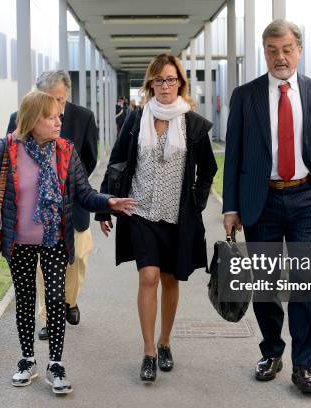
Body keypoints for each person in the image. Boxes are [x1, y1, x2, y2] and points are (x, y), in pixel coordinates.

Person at [0, 90, 135, 394]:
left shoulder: (65, 151)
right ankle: (27, 359)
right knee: (24, 300)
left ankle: (56, 364)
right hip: (19, 242)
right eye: (51, 116)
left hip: (55, 240)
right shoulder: (5, 150)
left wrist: (108, 202)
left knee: (56, 300)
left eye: (59, 115)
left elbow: (83, 193)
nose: (59, 120)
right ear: (33, 120)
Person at [223, 19, 311, 393]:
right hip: (262, 200)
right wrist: (230, 207)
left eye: (286, 49)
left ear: (299, 50)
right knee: (266, 284)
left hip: (307, 197)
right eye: (272, 50)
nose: (280, 57)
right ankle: (272, 350)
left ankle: (304, 364)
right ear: (264, 52)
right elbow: (234, 153)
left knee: (304, 282)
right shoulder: (246, 96)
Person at [96, 54, 217, 383]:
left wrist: (197, 203)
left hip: (177, 217)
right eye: (160, 80)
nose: (166, 86)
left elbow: (208, 168)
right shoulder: (137, 120)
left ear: (180, 82)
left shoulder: (192, 123)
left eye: (172, 79)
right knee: (148, 275)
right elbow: (117, 161)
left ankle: (165, 342)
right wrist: (106, 205)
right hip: (141, 212)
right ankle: (149, 351)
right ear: (150, 85)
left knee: (169, 279)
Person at [7, 70, 98, 340]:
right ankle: (49, 316)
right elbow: (11, 158)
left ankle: (70, 300)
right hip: (36, 212)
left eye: (59, 99)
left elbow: (90, 159)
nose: (54, 107)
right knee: (43, 269)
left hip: (74, 205)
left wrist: (69, 182)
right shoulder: (18, 119)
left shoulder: (83, 118)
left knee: (78, 259)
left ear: (66, 95)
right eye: (48, 99)